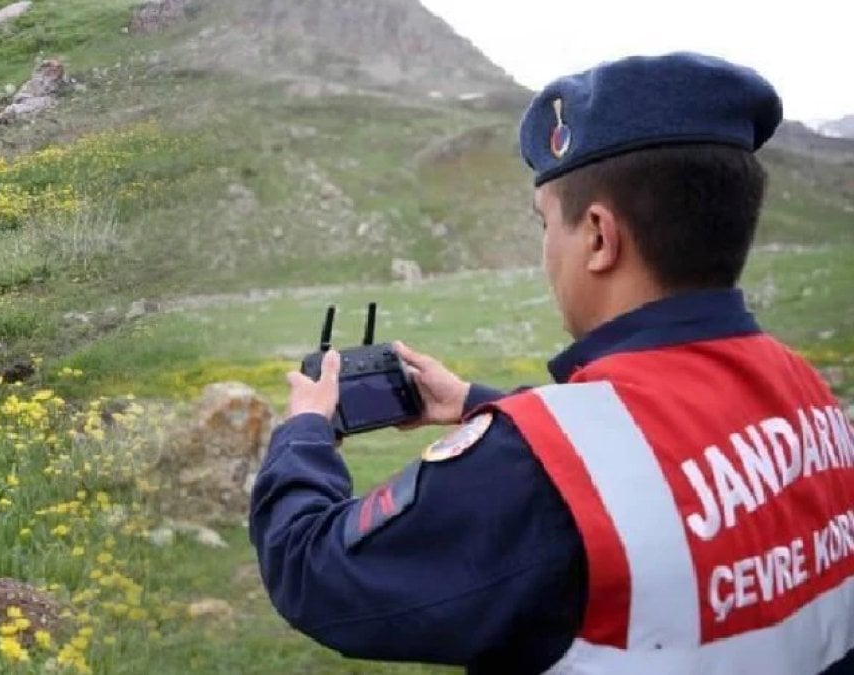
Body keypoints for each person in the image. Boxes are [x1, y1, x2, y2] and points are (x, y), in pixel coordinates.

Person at [249, 52, 854, 674]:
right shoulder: (807, 392)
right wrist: (474, 403)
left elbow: (313, 570)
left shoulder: (523, 473)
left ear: (598, 237)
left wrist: (305, 430)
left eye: (545, 224)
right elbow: (656, 453)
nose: (545, 251)